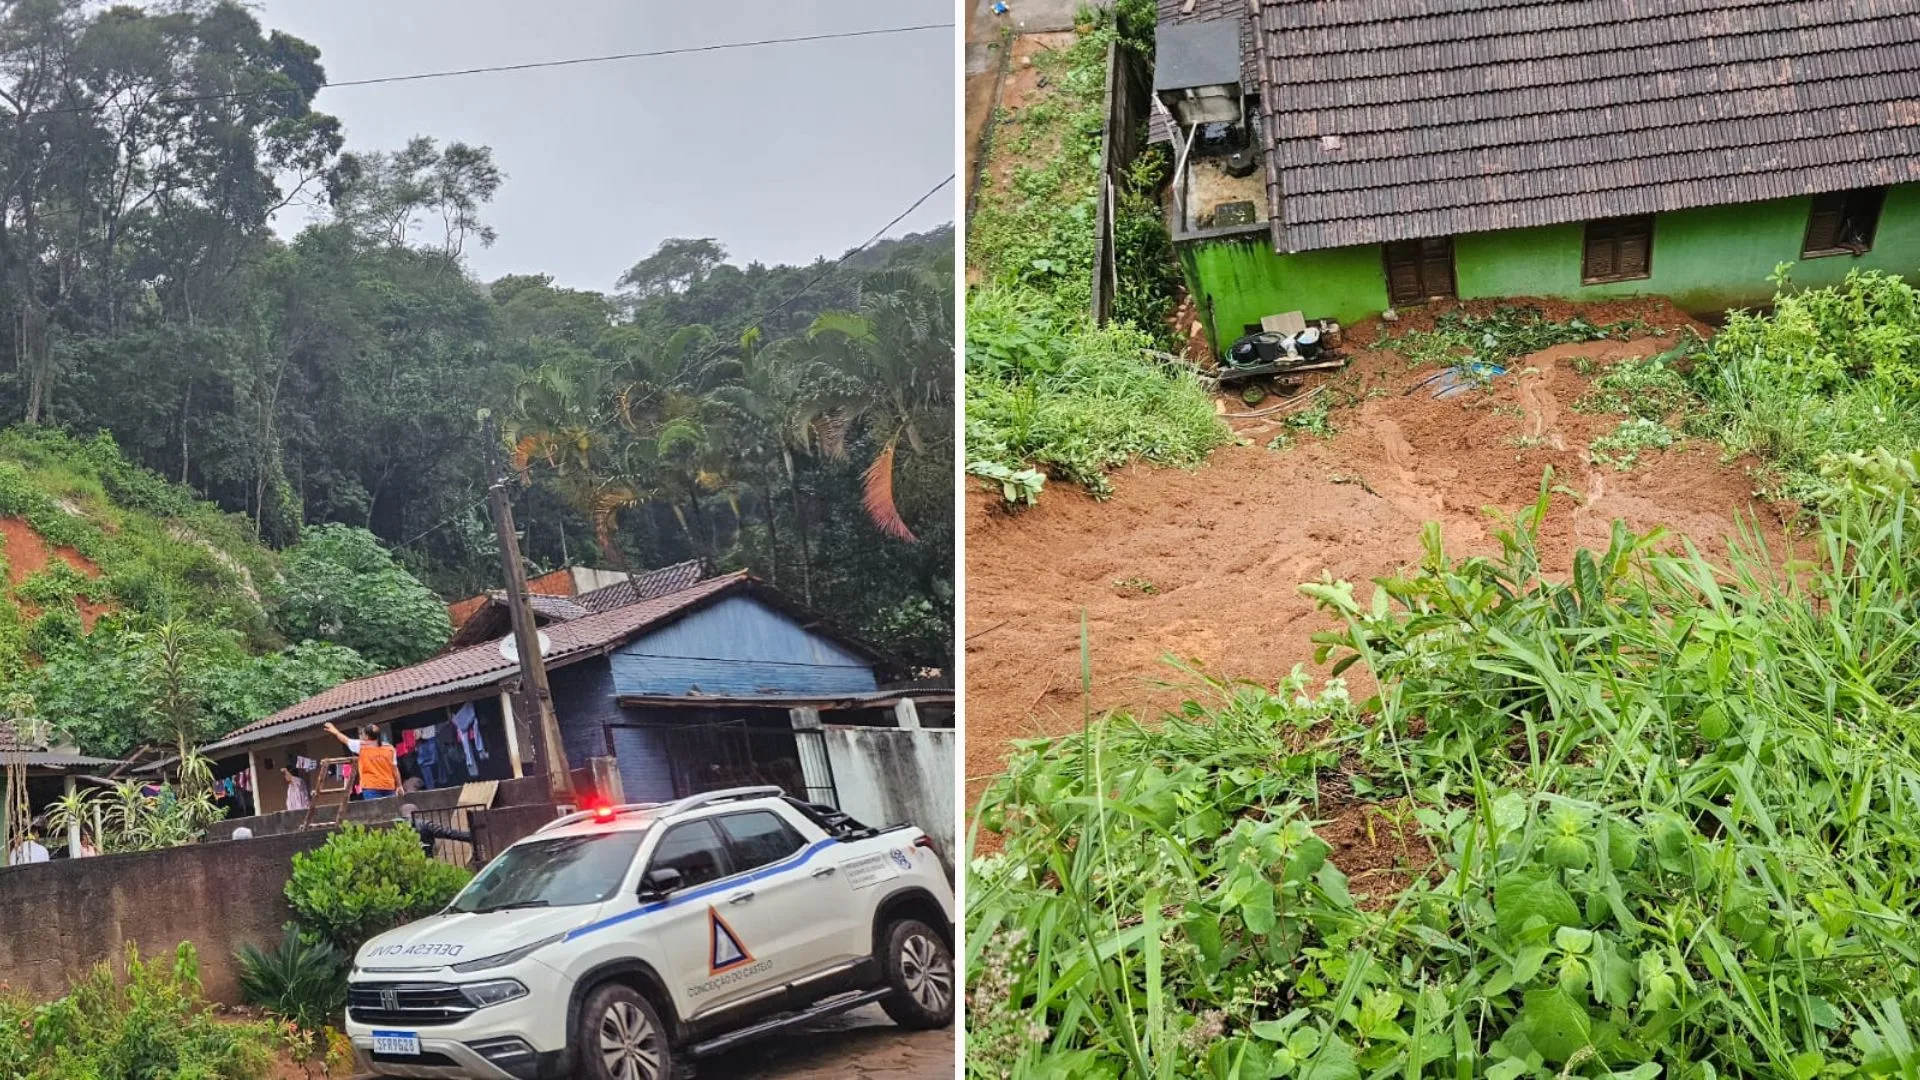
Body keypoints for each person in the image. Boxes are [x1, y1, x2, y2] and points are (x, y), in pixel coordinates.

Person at [322, 721, 400, 800]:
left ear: (366, 736)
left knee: (375, 811)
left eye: (362, 734)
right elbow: (395, 769)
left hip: (371, 786)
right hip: (389, 786)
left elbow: (345, 739)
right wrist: (399, 786)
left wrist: (334, 730)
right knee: (391, 810)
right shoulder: (389, 748)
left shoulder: (361, 746)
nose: (361, 736)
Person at [399, 803, 471, 859]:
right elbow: (447, 832)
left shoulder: (395, 826)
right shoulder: (425, 824)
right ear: (417, 813)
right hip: (425, 859)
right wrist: (470, 836)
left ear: (401, 814)